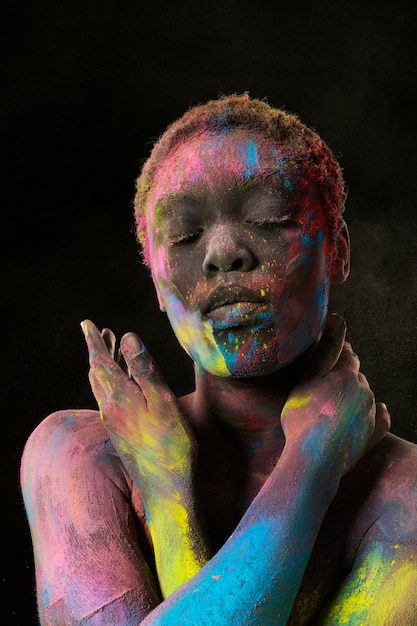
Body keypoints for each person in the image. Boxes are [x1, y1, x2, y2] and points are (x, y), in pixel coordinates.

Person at [21, 94, 417, 625]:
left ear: (338, 251)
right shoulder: (78, 456)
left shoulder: (405, 493)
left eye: (270, 218)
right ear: (156, 281)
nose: (224, 251)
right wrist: (169, 489)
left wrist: (313, 456)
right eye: (185, 234)